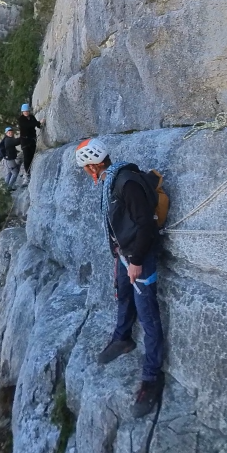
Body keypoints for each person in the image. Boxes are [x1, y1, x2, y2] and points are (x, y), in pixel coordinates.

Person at [75, 137, 166, 418]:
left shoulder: (126, 183)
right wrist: (119, 250)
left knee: (148, 315)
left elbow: (146, 225)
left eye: (86, 168)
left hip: (140, 256)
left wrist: (136, 261)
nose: (87, 172)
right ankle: (122, 338)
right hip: (126, 253)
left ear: (94, 166)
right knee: (124, 296)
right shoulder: (112, 181)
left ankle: (152, 377)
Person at [17, 104, 44, 180]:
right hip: (25, 141)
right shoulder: (21, 119)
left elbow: (35, 124)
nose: (26, 112)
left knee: (32, 156)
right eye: (24, 111)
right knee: (26, 157)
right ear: (22, 112)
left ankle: (31, 171)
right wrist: (38, 122)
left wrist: (40, 125)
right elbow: (28, 125)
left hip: (32, 140)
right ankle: (27, 173)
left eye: (27, 111)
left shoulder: (31, 117)